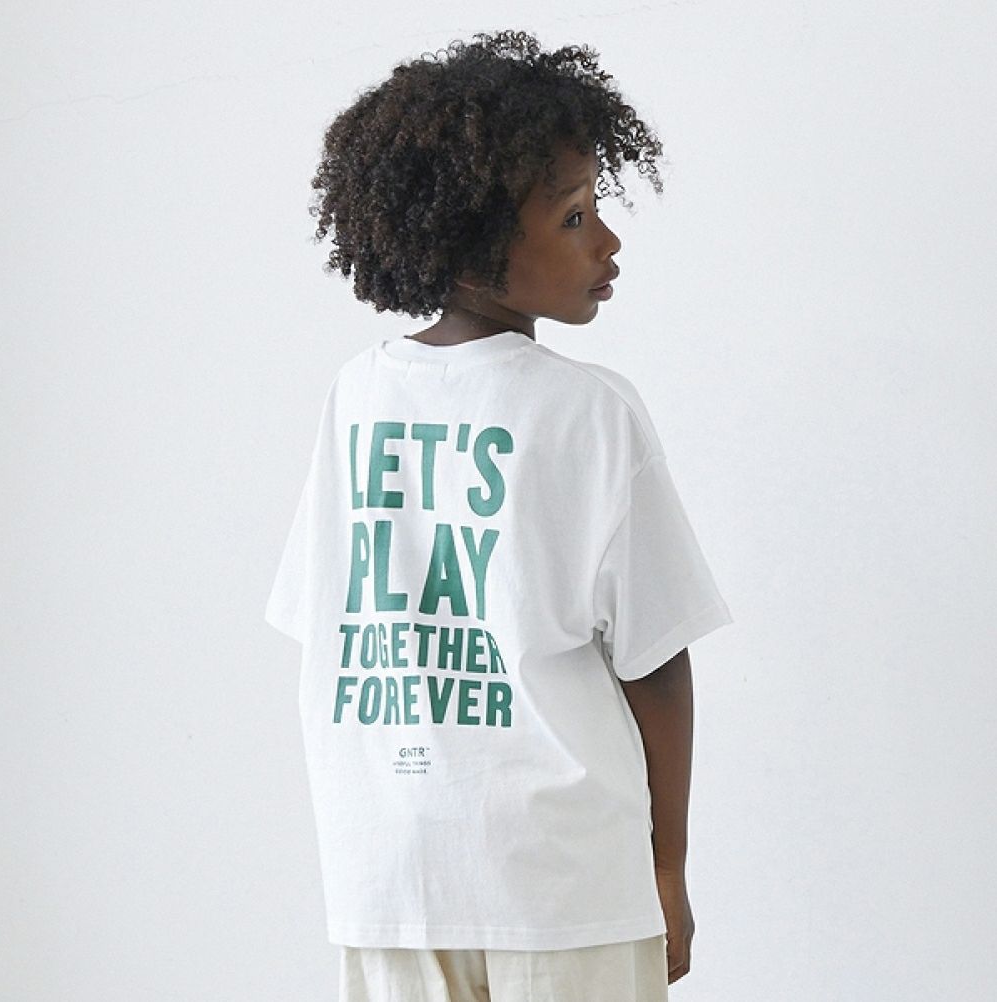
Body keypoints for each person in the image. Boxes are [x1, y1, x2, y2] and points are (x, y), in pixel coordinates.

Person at [264, 28, 733, 1002]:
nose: (607, 241)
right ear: (475, 245)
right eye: (573, 216)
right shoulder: (590, 411)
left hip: (389, 875)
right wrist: (667, 867)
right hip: (565, 883)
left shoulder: (358, 398)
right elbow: (655, 662)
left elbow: (326, 626)